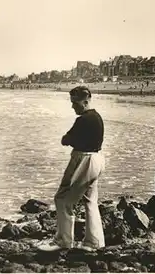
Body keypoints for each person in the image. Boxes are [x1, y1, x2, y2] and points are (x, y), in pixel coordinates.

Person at [38, 86, 106, 252]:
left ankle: (64, 240)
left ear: (85, 101)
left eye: (75, 103)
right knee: (90, 201)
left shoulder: (83, 120)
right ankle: (94, 242)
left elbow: (66, 139)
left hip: (83, 159)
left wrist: (67, 139)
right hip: (96, 159)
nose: (73, 106)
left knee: (63, 199)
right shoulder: (97, 117)